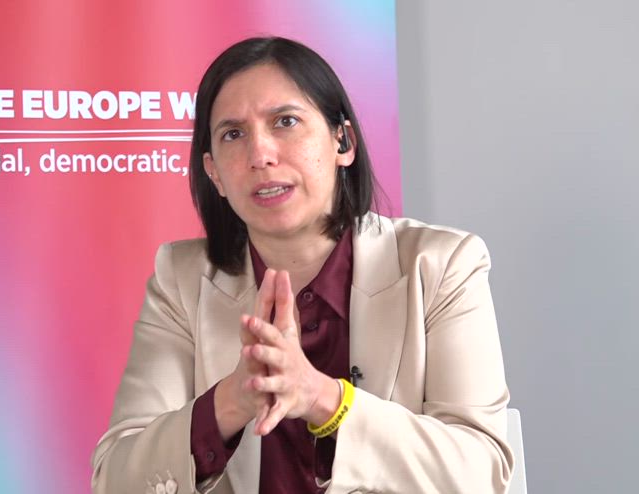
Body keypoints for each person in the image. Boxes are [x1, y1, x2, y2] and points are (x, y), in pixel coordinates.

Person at [91, 36, 513, 494]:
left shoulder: (440, 266)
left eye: (285, 122)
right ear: (214, 173)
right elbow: (116, 478)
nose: (260, 155)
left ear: (342, 142)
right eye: (233, 134)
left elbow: (481, 474)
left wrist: (321, 398)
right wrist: (231, 400)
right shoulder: (181, 279)